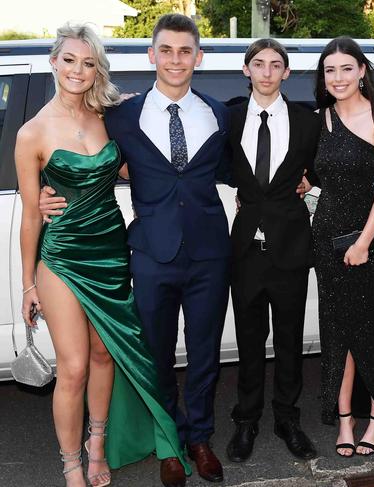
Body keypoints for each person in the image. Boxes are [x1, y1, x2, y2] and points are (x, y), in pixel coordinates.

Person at [39, 14, 231, 487]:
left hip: (209, 252)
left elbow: (250, 165)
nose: (175, 60)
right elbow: (82, 158)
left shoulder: (221, 112)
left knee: (205, 354)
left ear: (199, 58)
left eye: (185, 51)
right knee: (155, 355)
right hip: (149, 254)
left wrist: (303, 181)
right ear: (151, 55)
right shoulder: (121, 115)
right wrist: (47, 192)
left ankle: (200, 439)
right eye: (166, 50)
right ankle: (169, 442)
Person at [16, 23, 190, 487]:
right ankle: (71, 462)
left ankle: (98, 445)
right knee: (71, 366)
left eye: (88, 62)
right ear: (54, 62)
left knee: (102, 355)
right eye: (70, 60)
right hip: (64, 256)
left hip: (112, 250)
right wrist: (28, 282)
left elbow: (144, 162)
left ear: (97, 70)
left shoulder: (110, 116)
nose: (78, 70)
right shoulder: (32, 133)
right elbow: (31, 216)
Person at [225, 38, 320, 463]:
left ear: (286, 72)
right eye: (258, 64)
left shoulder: (307, 122)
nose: (266, 71)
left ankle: (287, 418)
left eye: (275, 64)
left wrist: (310, 184)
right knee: (248, 340)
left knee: (289, 339)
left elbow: (323, 171)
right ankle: (246, 420)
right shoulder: (225, 117)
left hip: (291, 248)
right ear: (246, 70)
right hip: (246, 250)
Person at [312, 36, 374, 457]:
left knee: (373, 331)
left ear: (362, 71)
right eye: (330, 70)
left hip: (372, 241)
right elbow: (320, 176)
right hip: (327, 240)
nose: (338, 77)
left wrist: (364, 241)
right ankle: (345, 419)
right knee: (337, 333)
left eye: (347, 68)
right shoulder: (320, 119)